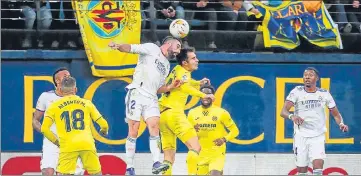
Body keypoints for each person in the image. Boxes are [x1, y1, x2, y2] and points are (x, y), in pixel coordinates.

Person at [108, 36, 182, 175]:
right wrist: (118, 46)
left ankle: (156, 163)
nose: (178, 51)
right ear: (168, 44)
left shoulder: (166, 65)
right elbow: (132, 48)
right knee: (134, 130)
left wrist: (170, 87)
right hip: (137, 92)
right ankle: (130, 167)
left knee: (154, 127)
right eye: (177, 46)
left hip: (152, 97)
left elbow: (159, 87)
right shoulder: (152, 48)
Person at [156, 47, 215, 175]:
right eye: (193, 58)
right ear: (185, 63)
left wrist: (198, 83)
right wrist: (204, 95)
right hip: (174, 114)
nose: (197, 60)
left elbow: (186, 82)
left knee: (169, 157)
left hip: (162, 115)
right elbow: (185, 87)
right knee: (195, 147)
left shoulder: (176, 69)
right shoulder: (185, 73)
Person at [280, 67, 349, 175]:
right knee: (302, 171)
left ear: (317, 78)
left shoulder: (324, 94)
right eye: (305, 75)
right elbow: (283, 111)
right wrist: (292, 117)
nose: (307, 77)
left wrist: (341, 123)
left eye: (310, 75)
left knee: (318, 170)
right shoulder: (296, 91)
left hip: (318, 135)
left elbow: (335, 113)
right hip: (300, 135)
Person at [41, 77, 109, 175]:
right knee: (96, 173)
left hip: (67, 146)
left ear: (60, 90)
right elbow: (104, 124)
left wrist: (57, 142)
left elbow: (44, 129)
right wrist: (104, 131)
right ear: (75, 89)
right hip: (87, 144)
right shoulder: (87, 103)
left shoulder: (54, 106)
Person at [32, 67, 84, 175]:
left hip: (71, 142)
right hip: (51, 142)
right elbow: (35, 120)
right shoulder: (46, 96)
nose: (68, 78)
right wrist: (45, 131)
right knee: (48, 171)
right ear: (57, 81)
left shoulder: (76, 99)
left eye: (69, 76)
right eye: (65, 76)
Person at [188, 84, 239, 175]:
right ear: (199, 96)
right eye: (203, 94)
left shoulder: (221, 113)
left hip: (217, 153)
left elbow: (235, 131)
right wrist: (192, 129)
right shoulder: (192, 113)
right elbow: (186, 134)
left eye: (208, 95)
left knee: (215, 173)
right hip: (200, 154)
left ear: (213, 97)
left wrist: (224, 139)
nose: (205, 97)